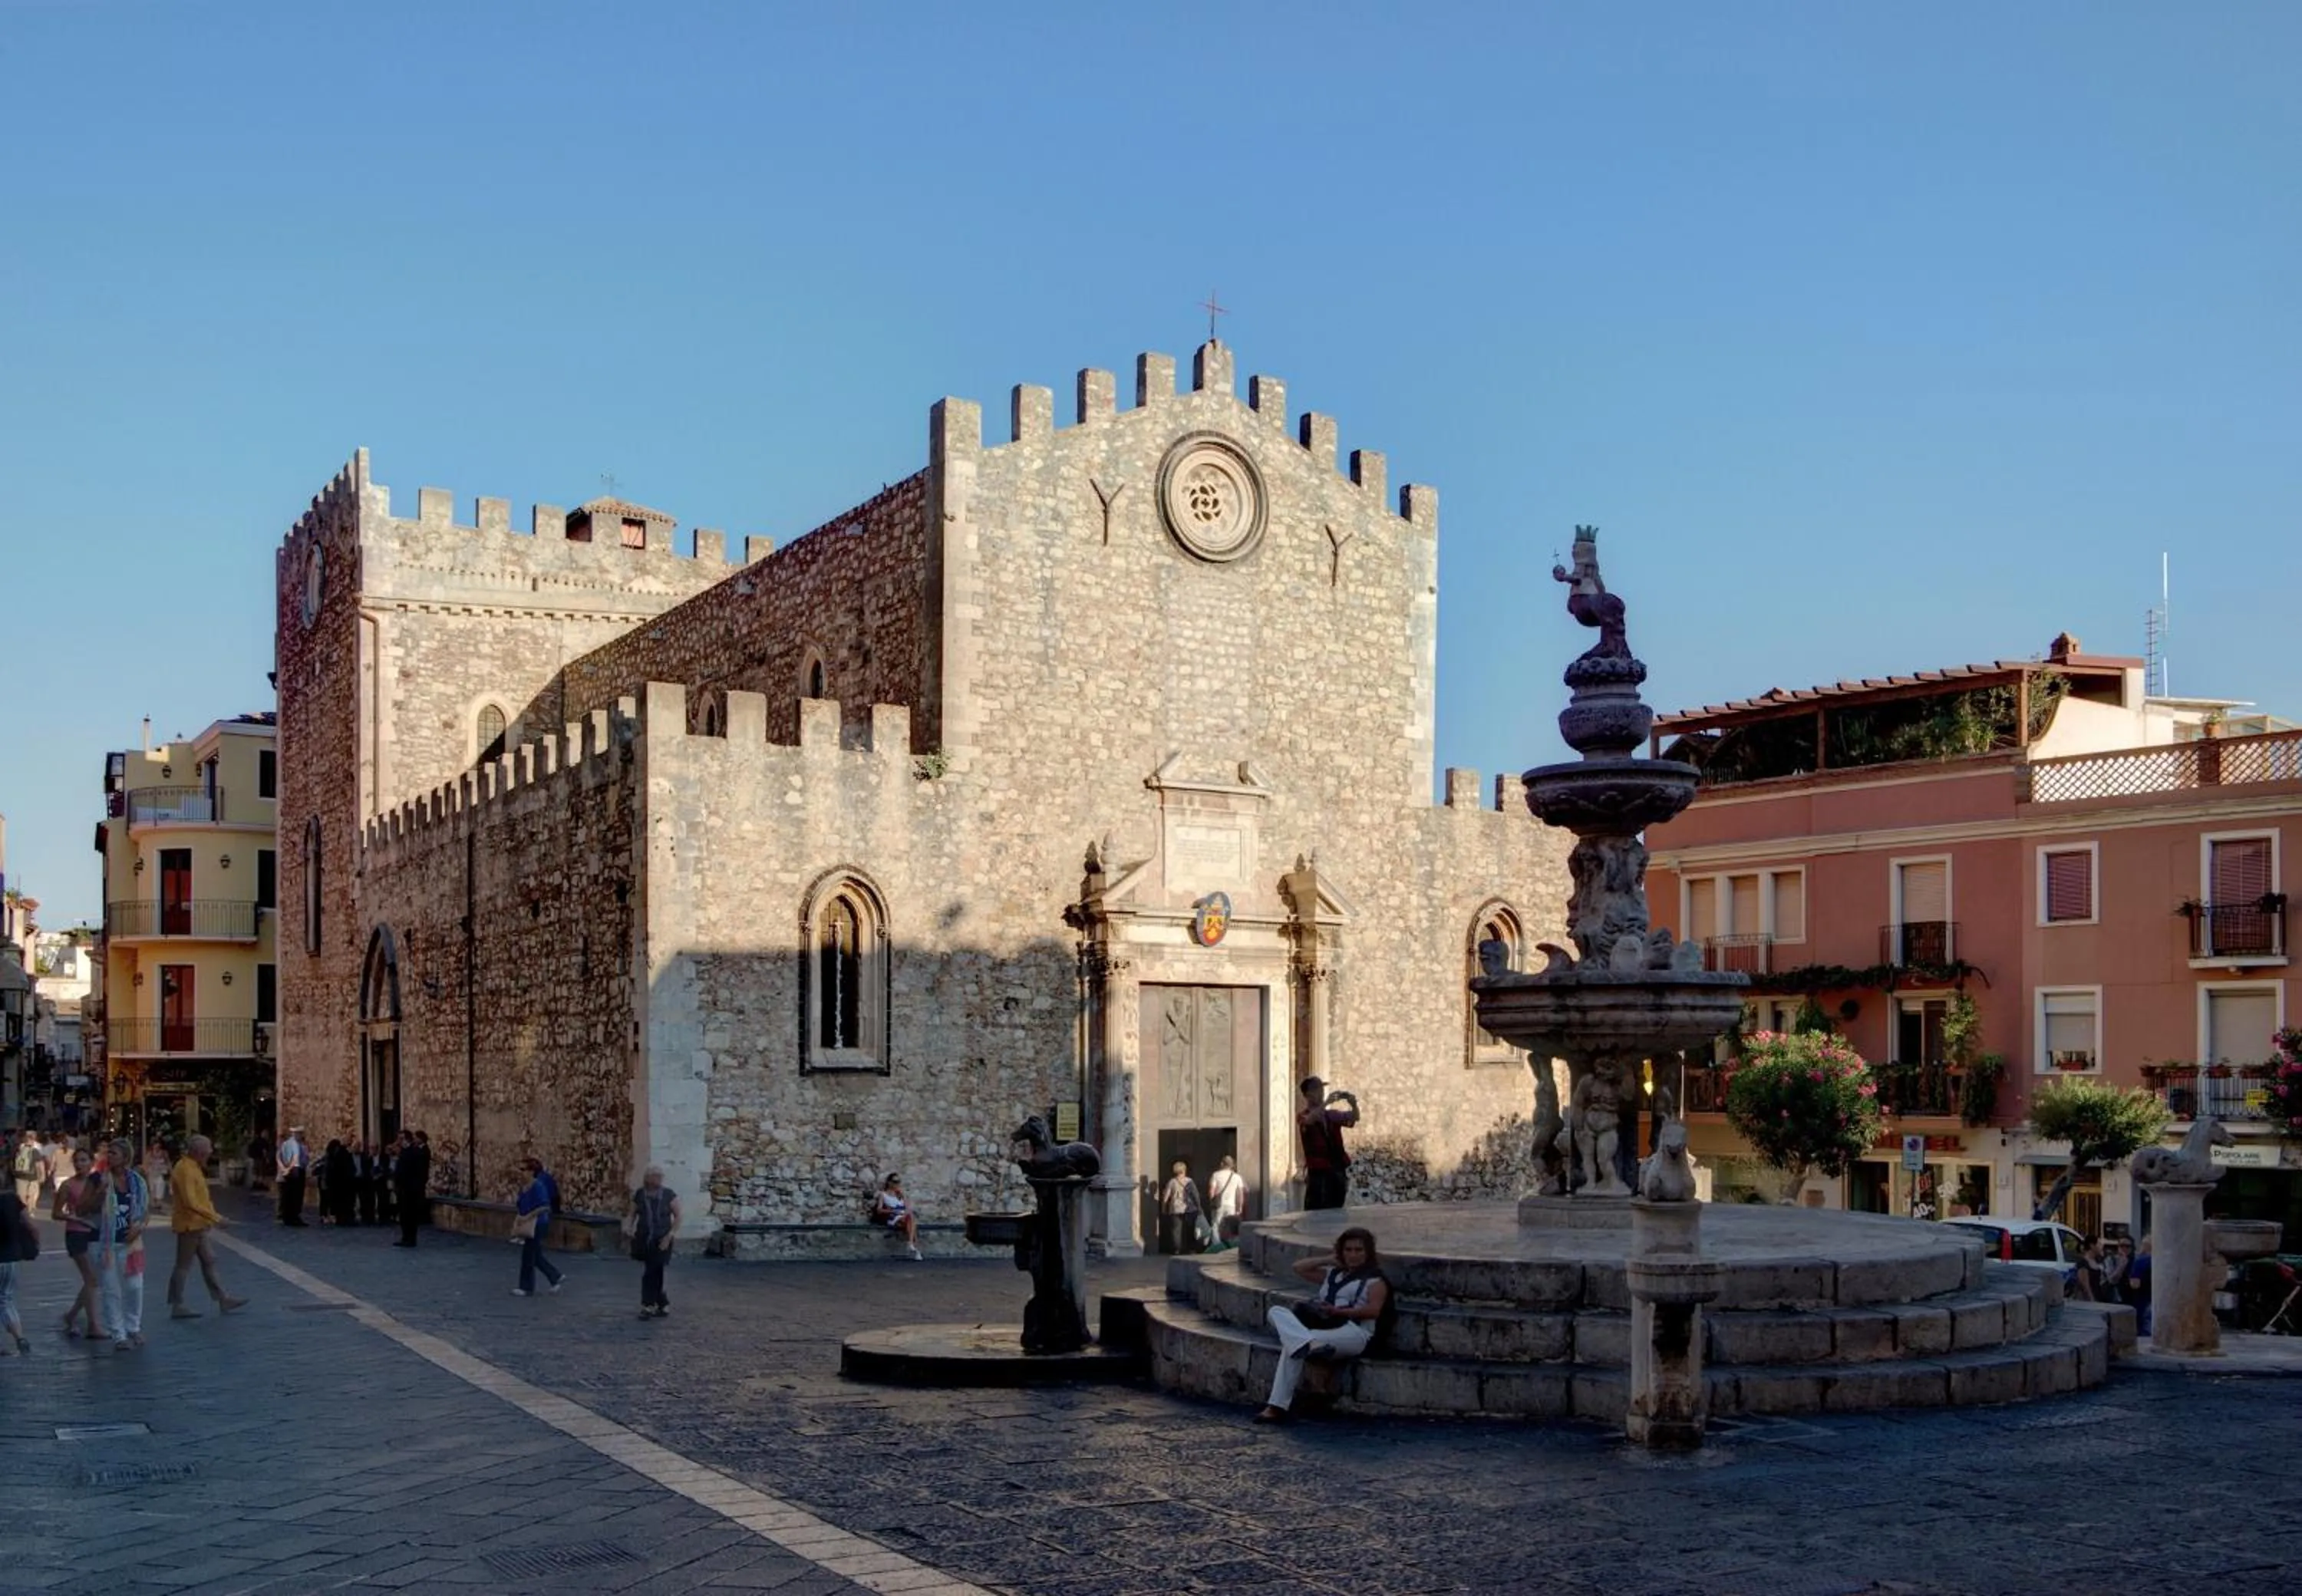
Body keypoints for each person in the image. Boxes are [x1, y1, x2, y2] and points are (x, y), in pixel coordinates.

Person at [1255, 1225, 1391, 1423]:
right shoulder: (1333, 1275)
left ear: (1368, 1252)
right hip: (1322, 1329)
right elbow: (1298, 1267)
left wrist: (1339, 1311)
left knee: (1292, 1345)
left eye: (1359, 1250)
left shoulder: (1375, 1281)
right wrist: (1328, 1259)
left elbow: (1374, 1311)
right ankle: (1308, 1343)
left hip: (1354, 1332)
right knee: (1276, 1312)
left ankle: (1276, 1407)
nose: (1353, 1255)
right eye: (1348, 1250)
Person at [167, 1135, 246, 1318]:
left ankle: (222, 1298)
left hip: (198, 1224)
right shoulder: (185, 1169)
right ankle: (176, 1304)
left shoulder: (193, 1167)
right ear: (199, 1152)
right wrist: (216, 1218)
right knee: (183, 1265)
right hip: (189, 1225)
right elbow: (191, 1202)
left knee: (209, 1260)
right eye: (208, 1149)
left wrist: (211, 1218)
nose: (211, 1152)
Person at [53, 1145, 104, 1340]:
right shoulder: (67, 1185)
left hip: (95, 1232)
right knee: (90, 1278)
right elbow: (56, 1213)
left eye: (84, 1160)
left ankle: (72, 1314)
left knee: (93, 1280)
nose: (79, 1164)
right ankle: (93, 1325)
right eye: (77, 1160)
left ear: (92, 1163)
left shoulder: (98, 1182)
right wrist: (77, 1219)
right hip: (76, 1234)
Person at [626, 1166, 682, 1319]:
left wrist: (669, 1236)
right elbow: (632, 1213)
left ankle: (648, 1305)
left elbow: (678, 1217)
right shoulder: (640, 1194)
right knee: (655, 1271)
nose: (658, 1179)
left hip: (662, 1239)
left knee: (651, 1271)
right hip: (644, 1238)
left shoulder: (669, 1195)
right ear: (648, 1178)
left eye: (659, 1176)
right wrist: (629, 1229)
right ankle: (663, 1303)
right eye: (655, 1176)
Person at [1296, 1077, 1359, 1211]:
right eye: (1317, 1089)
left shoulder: (1331, 1115)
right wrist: (1326, 1103)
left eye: (1321, 1089)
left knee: (1337, 1208)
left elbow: (1354, 1118)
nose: (1321, 1092)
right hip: (1319, 1173)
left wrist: (1353, 1104)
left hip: (1336, 1170)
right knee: (1316, 1210)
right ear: (1308, 1095)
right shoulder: (1303, 1116)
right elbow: (1309, 1120)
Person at [511, 1156, 564, 1298]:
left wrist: (529, 1216)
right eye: (520, 1169)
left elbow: (545, 1206)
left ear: (531, 1171)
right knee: (535, 1255)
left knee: (528, 1255)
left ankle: (526, 1288)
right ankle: (555, 1277)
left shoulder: (538, 1186)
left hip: (538, 1224)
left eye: (523, 1170)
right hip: (528, 1223)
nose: (520, 1172)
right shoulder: (524, 1188)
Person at [0, 1179, 36, 1356]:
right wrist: (35, 1244)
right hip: (10, 1258)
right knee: (6, 1299)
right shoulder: (12, 1199)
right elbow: (30, 1226)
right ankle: (19, 1337)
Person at [391, 1129, 430, 1248]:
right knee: (404, 1215)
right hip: (402, 1188)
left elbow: (419, 1171)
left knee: (410, 1215)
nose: (399, 1141)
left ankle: (411, 1238)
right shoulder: (404, 1152)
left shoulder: (415, 1152)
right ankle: (405, 1237)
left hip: (410, 1189)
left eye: (401, 1138)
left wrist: (416, 1186)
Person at [871, 1173, 922, 1260]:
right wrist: (892, 1211)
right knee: (912, 1223)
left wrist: (905, 1211)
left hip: (903, 1216)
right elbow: (879, 1210)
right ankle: (914, 1248)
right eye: (894, 1182)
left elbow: (908, 1207)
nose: (896, 1184)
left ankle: (911, 1245)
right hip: (893, 1217)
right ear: (889, 1182)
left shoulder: (900, 1194)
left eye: (898, 1182)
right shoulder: (883, 1195)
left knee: (911, 1221)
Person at [1159, 1160, 1204, 1256]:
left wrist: (1164, 1208)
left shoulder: (1172, 1182)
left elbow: (1166, 1197)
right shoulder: (1190, 1181)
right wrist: (1199, 1207)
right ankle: (1191, 1249)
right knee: (1190, 1229)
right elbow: (1196, 1195)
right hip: (1189, 1209)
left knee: (1176, 1230)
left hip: (1176, 1209)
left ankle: (1177, 1250)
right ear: (1184, 1170)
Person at [1207, 1154, 1246, 1251]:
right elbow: (1240, 1194)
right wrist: (1240, 1206)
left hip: (1219, 1205)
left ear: (1222, 1164)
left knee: (1216, 1226)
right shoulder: (1237, 1177)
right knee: (1231, 1227)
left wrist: (1212, 1203)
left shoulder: (1216, 1175)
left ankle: (1217, 1247)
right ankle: (1230, 1247)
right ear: (1232, 1165)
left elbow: (1211, 1192)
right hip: (1231, 1205)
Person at [275, 1127, 309, 1225]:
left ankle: (293, 1216)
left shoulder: (301, 1146)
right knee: (292, 1196)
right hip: (293, 1173)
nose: (300, 1136)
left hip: (299, 1171)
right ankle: (290, 1216)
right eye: (298, 1134)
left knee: (297, 1196)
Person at [13, 1129, 45, 1211]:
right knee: (32, 1195)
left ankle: (23, 1210)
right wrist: (42, 1175)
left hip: (20, 1176)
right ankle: (30, 1211)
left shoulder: (18, 1149)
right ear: (33, 1139)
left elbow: (12, 1161)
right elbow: (40, 1164)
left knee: (21, 1195)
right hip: (32, 1176)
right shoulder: (35, 1150)